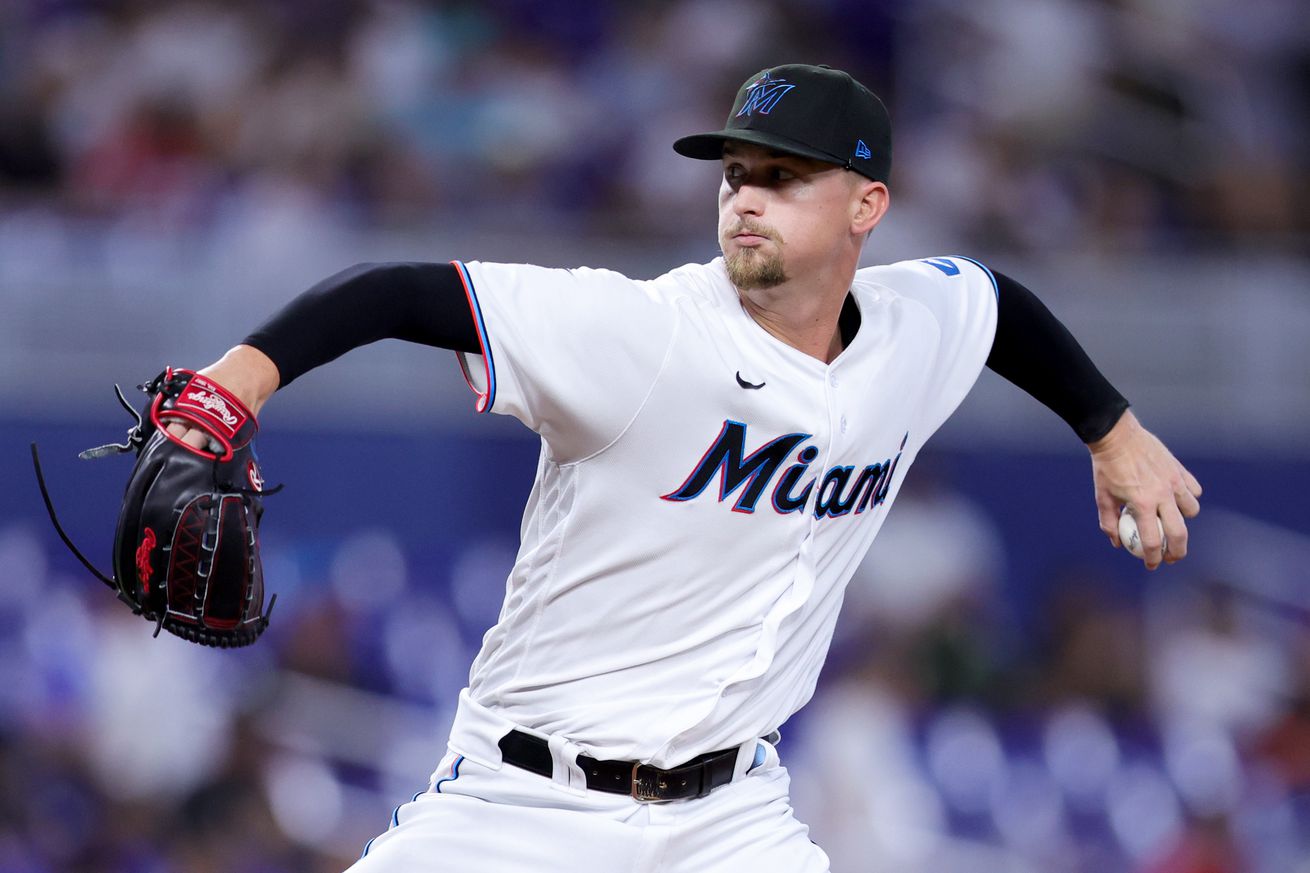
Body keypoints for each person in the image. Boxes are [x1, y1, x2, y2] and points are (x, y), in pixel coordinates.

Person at [165, 64, 1202, 871]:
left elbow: (994, 305)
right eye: (735, 174)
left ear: (866, 207)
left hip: (731, 818)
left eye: (783, 178)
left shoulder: (913, 324)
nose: (745, 199)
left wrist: (1109, 429)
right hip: (526, 804)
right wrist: (237, 384)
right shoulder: (644, 333)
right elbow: (396, 291)